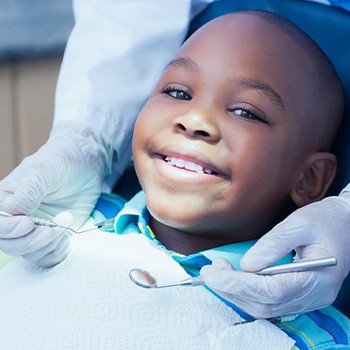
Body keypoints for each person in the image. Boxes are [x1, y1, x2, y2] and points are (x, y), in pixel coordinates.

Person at [1, 10, 349, 350]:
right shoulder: (54, 228)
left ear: (309, 179)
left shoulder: (312, 334)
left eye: (246, 112)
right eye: (178, 93)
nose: (194, 119)